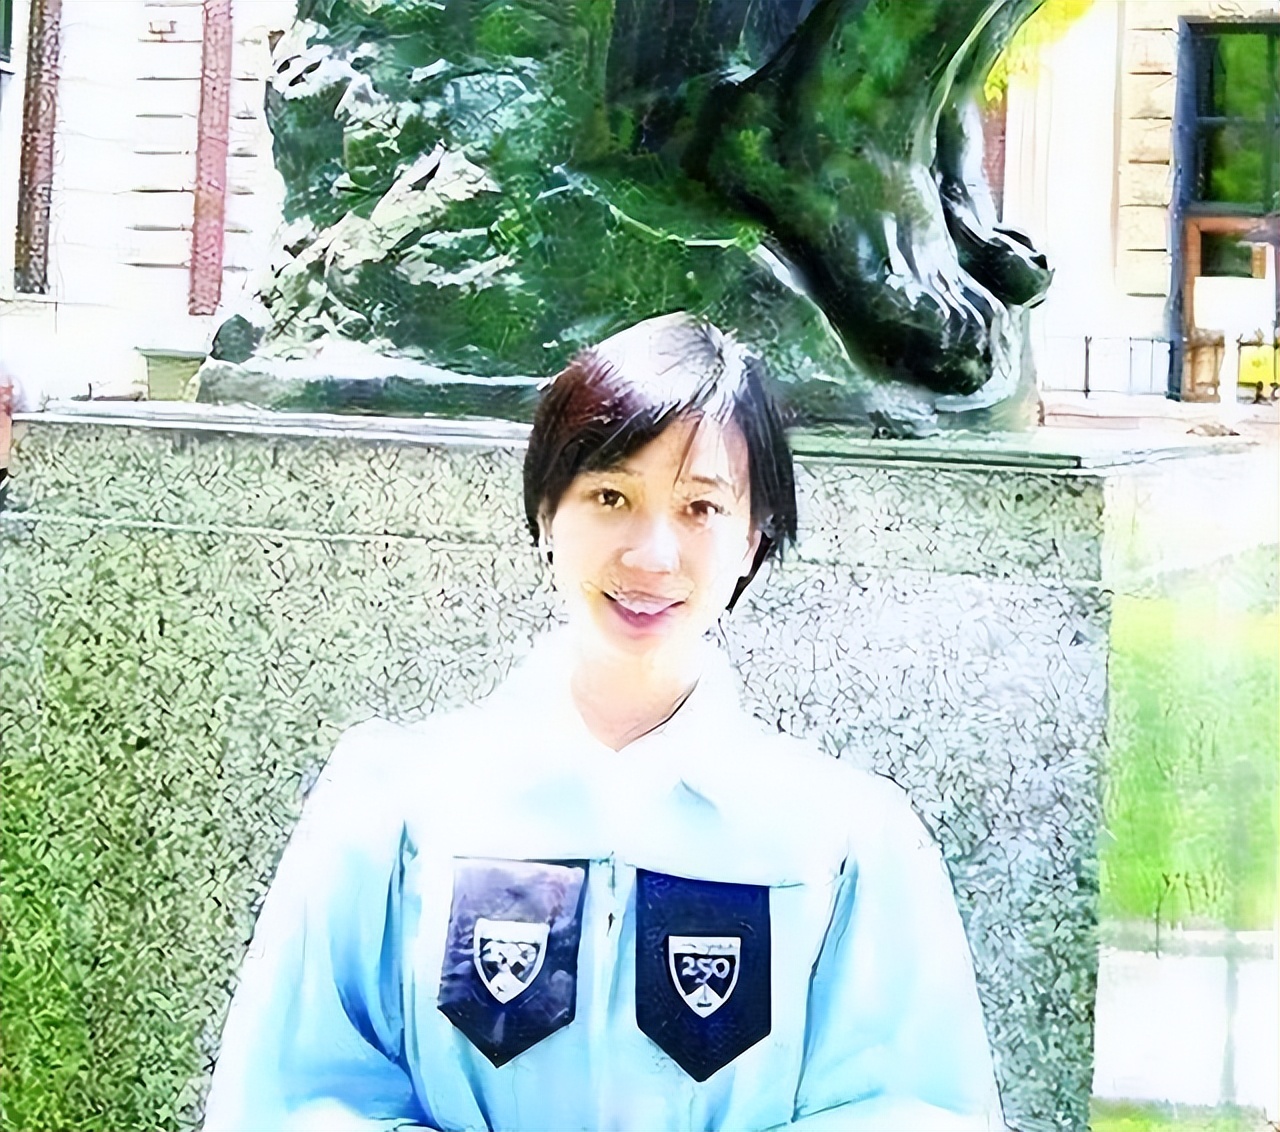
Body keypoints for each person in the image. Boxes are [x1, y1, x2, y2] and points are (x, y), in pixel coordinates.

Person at [202, 313, 1005, 1131]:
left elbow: (909, 1109)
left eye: (701, 508)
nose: (652, 555)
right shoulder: (398, 804)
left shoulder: (844, 839)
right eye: (610, 496)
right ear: (547, 513)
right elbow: (295, 1099)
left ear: (752, 542)